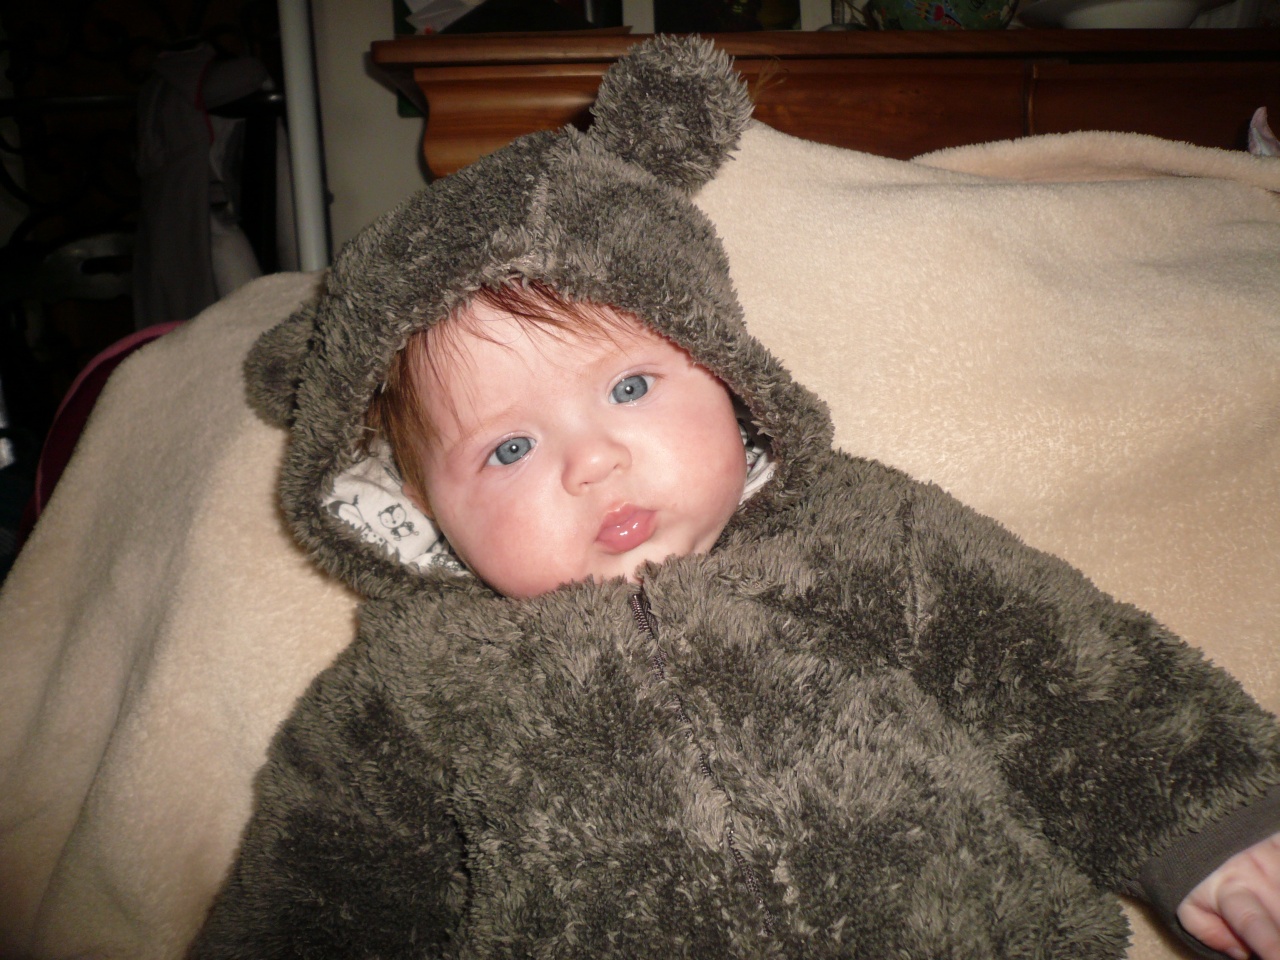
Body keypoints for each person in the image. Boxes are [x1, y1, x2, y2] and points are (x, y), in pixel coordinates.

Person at [192, 37, 1280, 960]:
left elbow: (1053, 664)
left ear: (724, 371)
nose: (591, 462)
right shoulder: (409, 687)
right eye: (509, 448)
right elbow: (320, 894)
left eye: (629, 388)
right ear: (417, 507)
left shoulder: (859, 531)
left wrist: (1218, 831)